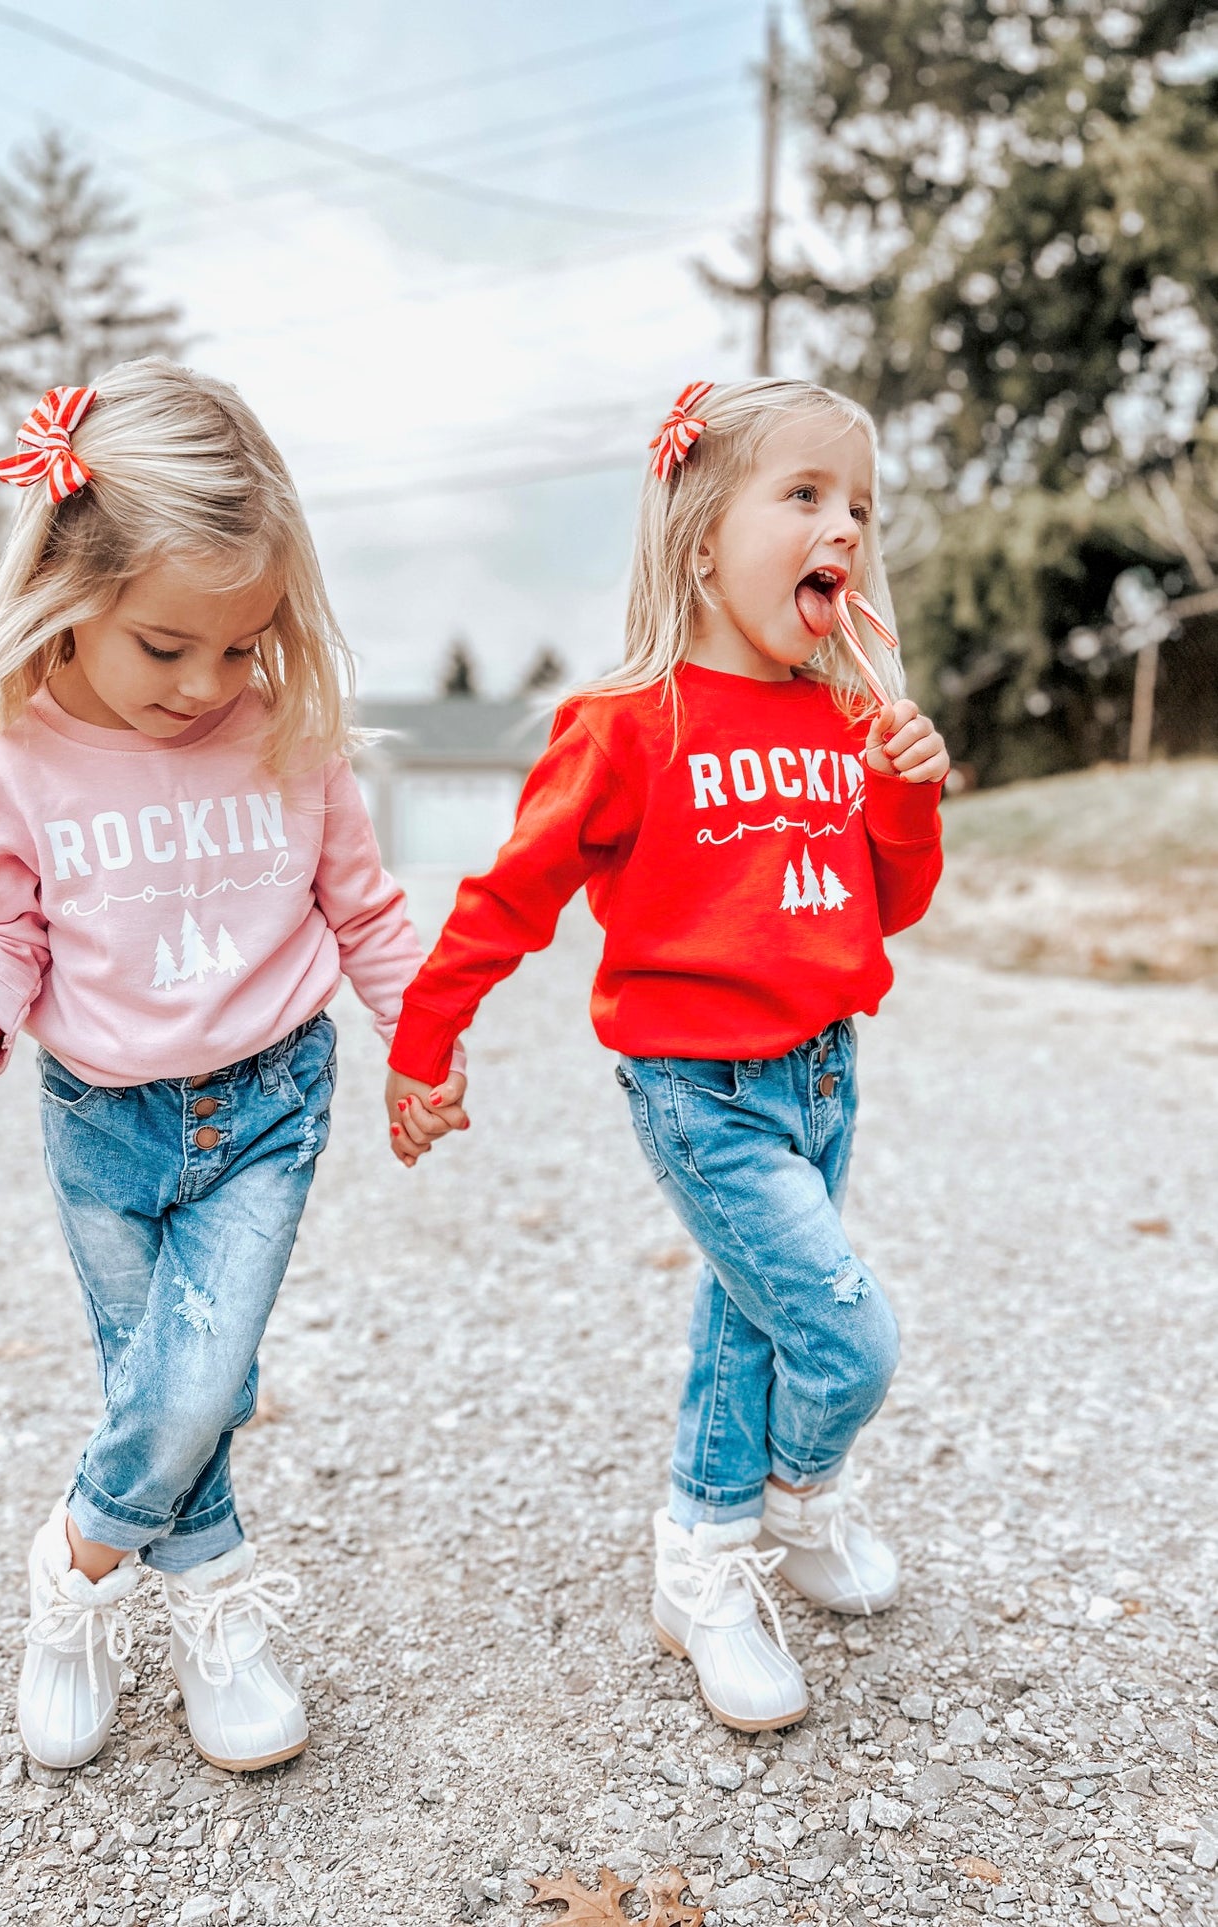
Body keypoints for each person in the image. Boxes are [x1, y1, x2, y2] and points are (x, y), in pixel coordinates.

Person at [0, 361, 465, 1771]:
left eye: (245, 644)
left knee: (203, 1371)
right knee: (156, 1375)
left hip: (271, 1101)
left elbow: (366, 913)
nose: (210, 683)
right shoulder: (4, 763)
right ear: (64, 592)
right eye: (167, 647)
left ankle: (77, 1566)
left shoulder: (288, 736)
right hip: (102, 1117)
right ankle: (213, 1597)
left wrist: (422, 1039)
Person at [386, 378, 947, 1730]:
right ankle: (772, 1511)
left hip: (822, 1068)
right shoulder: (629, 723)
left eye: (858, 506)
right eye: (803, 496)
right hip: (700, 1087)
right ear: (702, 537)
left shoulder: (841, 718)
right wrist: (425, 1038)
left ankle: (719, 1547)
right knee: (846, 1335)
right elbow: (506, 896)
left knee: (757, 1305)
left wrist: (906, 800)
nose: (844, 530)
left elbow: (893, 906)